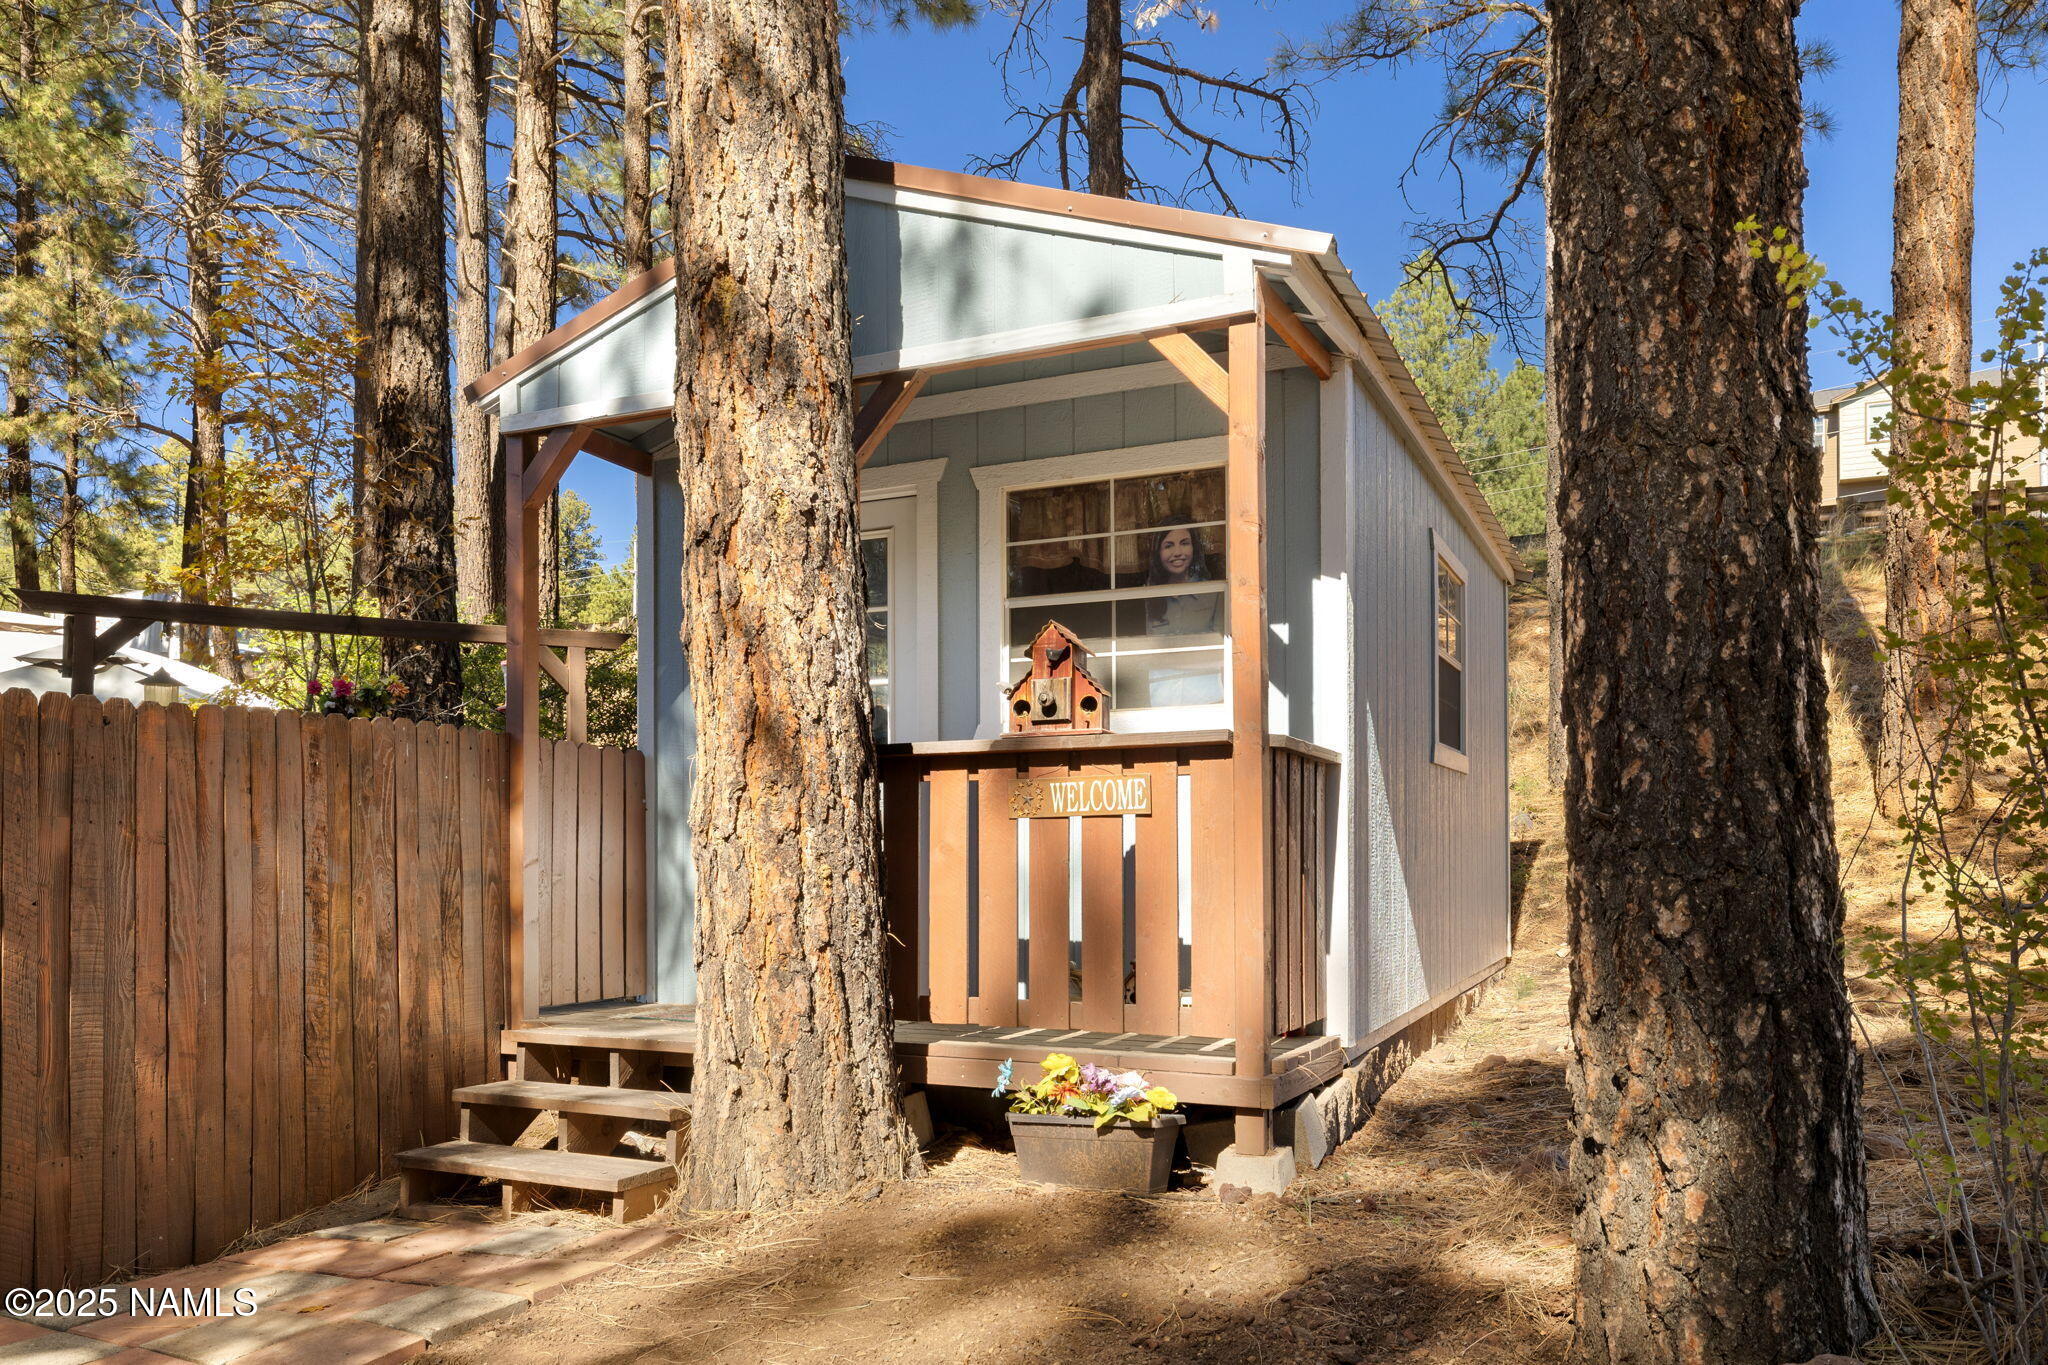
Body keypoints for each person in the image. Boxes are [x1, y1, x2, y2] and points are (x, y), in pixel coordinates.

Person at [1137, 516, 1223, 706]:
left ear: (1195, 548)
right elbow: (1145, 652)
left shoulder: (1213, 592)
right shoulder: (1149, 595)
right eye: (1168, 546)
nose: (1177, 552)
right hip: (1161, 696)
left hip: (1206, 695)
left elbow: (1221, 649)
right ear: (1158, 552)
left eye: (1184, 543)